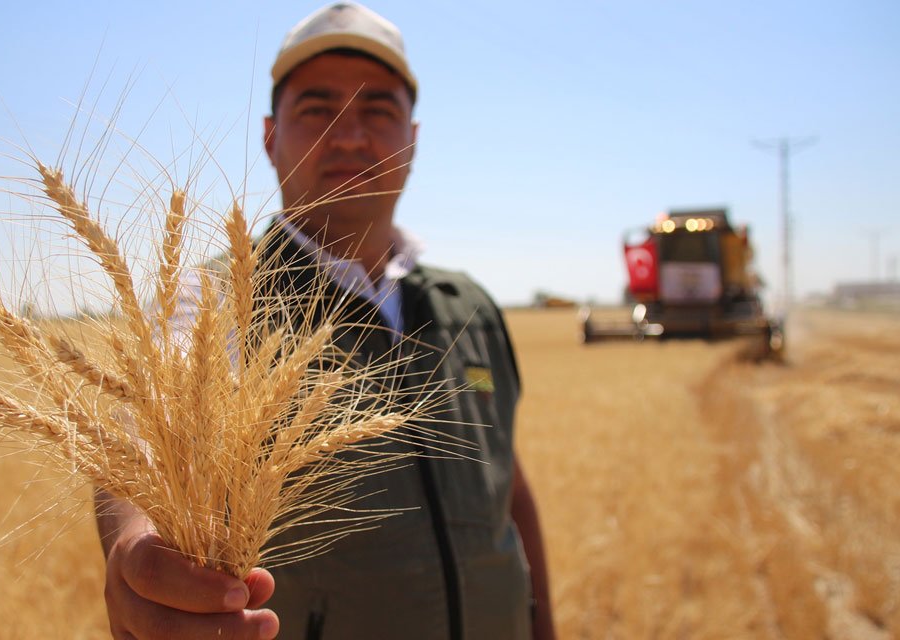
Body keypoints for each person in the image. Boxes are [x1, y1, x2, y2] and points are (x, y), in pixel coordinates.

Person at [94, 3, 555, 638]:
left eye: (378, 110)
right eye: (317, 108)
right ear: (268, 135)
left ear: (413, 138)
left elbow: (506, 481)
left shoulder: (468, 304)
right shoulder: (213, 299)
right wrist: (134, 541)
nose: (349, 135)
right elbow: (144, 433)